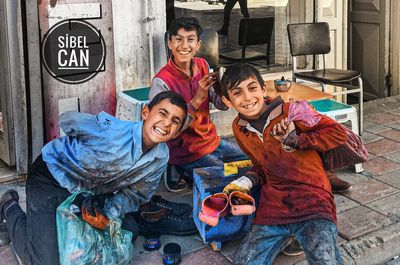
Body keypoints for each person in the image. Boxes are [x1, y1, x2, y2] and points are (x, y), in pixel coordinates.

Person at [0, 91, 192, 265]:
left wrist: (107, 214)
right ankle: (8, 205)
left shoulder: (161, 157)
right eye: (163, 113)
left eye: (175, 121)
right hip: (51, 177)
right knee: (45, 261)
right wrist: (88, 145)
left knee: (127, 232)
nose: (167, 123)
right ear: (145, 112)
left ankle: (80, 209)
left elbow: (136, 195)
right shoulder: (112, 133)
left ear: (177, 131)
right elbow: (68, 120)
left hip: (90, 190)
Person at [219, 63, 345, 265]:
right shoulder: (239, 128)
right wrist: (245, 182)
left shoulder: (293, 111)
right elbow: (262, 165)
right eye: (237, 93)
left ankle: (294, 237)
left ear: (262, 88)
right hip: (275, 206)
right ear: (227, 100)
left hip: (312, 199)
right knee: (244, 261)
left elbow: (338, 133)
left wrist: (295, 139)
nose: (248, 98)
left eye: (252, 88)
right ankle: (290, 237)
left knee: (326, 261)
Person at [150, 17, 248, 191]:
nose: (184, 46)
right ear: (170, 43)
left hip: (213, 141)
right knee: (227, 181)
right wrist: (197, 99)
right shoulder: (162, 81)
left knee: (251, 163)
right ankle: (185, 173)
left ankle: (200, 176)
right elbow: (166, 130)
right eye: (178, 39)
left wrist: (224, 94)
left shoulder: (203, 65)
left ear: (198, 45)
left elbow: (220, 104)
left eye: (190, 39)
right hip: (187, 152)